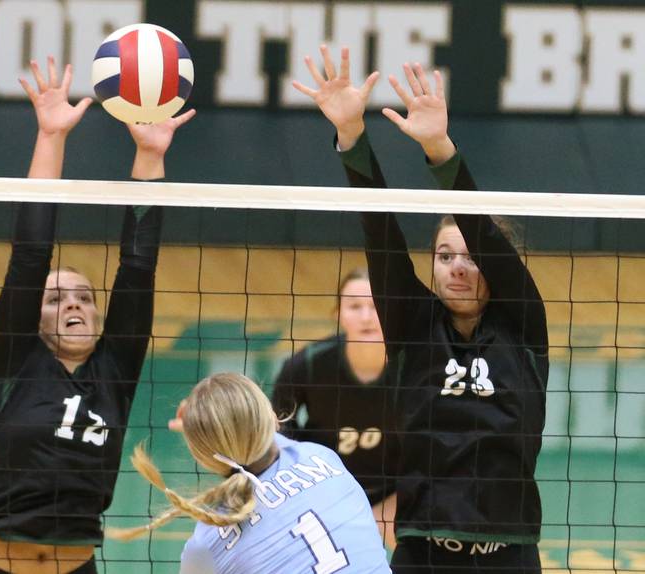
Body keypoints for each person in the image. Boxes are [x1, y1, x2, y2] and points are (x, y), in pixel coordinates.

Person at [293, 46, 548, 573]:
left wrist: (438, 147)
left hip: (510, 558)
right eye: (444, 255)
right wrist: (351, 138)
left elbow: (481, 232)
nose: (458, 266)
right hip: (421, 556)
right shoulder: (413, 325)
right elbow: (380, 235)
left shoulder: (523, 325)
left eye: (471, 257)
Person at [0, 57, 195, 574]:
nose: (75, 304)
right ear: (32, 320)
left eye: (84, 297)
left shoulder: (116, 368)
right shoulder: (14, 359)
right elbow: (30, 251)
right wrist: (50, 137)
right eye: (57, 299)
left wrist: (150, 155)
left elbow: (137, 266)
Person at [112, 372, 392, 574]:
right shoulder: (321, 456)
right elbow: (256, 439)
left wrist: (207, 430)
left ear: (201, 456)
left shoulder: (205, 544)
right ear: (271, 417)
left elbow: (243, 444)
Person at [270, 267, 397, 550]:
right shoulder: (309, 365)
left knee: (417, 546)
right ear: (337, 312)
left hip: (393, 494)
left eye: (376, 306)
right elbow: (279, 432)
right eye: (354, 306)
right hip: (326, 490)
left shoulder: (414, 368)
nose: (366, 317)